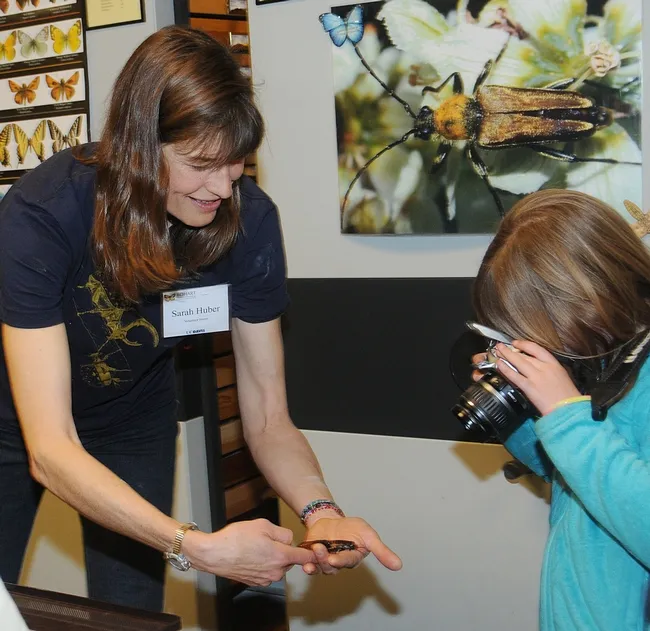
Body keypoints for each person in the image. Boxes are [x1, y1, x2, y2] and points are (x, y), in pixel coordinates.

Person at [0, 25, 402, 613]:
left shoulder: (249, 222)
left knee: (132, 613)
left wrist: (322, 512)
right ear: (140, 144)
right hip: (12, 426)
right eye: (200, 164)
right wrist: (195, 547)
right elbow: (51, 449)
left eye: (236, 162)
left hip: (133, 417)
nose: (222, 186)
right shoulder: (42, 214)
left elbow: (268, 418)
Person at [470, 189, 650, 631]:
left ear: (586, 298)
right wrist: (519, 413)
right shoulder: (607, 357)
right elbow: (571, 476)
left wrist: (565, 417)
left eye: (534, 327)